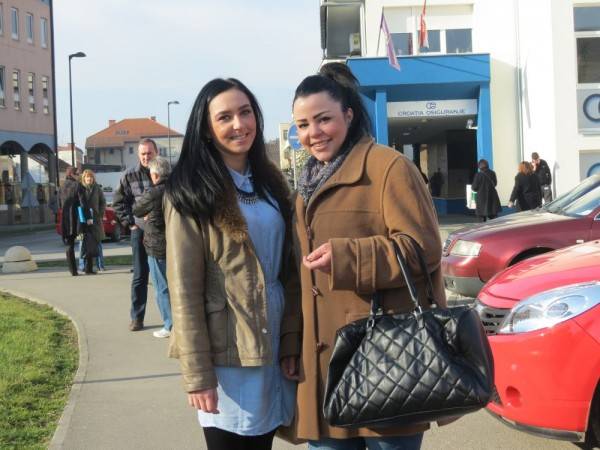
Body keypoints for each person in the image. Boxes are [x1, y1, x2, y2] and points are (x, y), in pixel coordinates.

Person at [290, 62, 445, 449]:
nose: (313, 133)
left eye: (323, 119)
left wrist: (347, 257)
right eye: (303, 125)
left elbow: (423, 248)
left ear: (348, 115)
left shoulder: (388, 167)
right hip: (324, 367)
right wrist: (290, 344)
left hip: (385, 358)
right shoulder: (305, 185)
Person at [164, 78, 299, 450]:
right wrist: (197, 374)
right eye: (224, 117)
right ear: (206, 129)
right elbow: (184, 290)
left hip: (271, 342)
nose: (239, 124)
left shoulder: (270, 184)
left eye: (245, 112)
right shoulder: (190, 191)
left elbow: (289, 272)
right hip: (227, 353)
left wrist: (291, 339)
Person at [114, 138, 157, 331]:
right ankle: (137, 318)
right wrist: (129, 223)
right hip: (139, 230)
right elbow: (119, 202)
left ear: (156, 153)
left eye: (149, 153)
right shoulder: (129, 175)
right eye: (143, 154)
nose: (146, 157)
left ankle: (173, 321)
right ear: (138, 155)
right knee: (140, 275)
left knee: (167, 276)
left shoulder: (165, 173)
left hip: (162, 232)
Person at [133, 157, 172, 338]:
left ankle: (169, 325)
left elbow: (137, 209)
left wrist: (148, 212)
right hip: (176, 244)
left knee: (161, 287)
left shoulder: (153, 192)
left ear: (155, 175)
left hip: (156, 245)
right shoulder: (177, 188)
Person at [77, 169, 106, 274]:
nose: (89, 178)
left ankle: (100, 265)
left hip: (96, 220)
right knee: (82, 244)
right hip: (83, 220)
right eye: (87, 177)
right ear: (83, 178)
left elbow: (103, 202)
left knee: (98, 243)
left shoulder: (97, 188)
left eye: (91, 177)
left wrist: (100, 214)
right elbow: (77, 203)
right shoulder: (80, 188)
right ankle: (82, 266)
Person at [60, 167, 80, 276]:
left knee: (69, 244)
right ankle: (86, 267)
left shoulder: (63, 186)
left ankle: (72, 270)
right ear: (72, 174)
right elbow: (82, 201)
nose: (79, 175)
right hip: (75, 217)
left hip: (65, 218)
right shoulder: (76, 185)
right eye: (77, 173)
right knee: (84, 240)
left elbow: (60, 202)